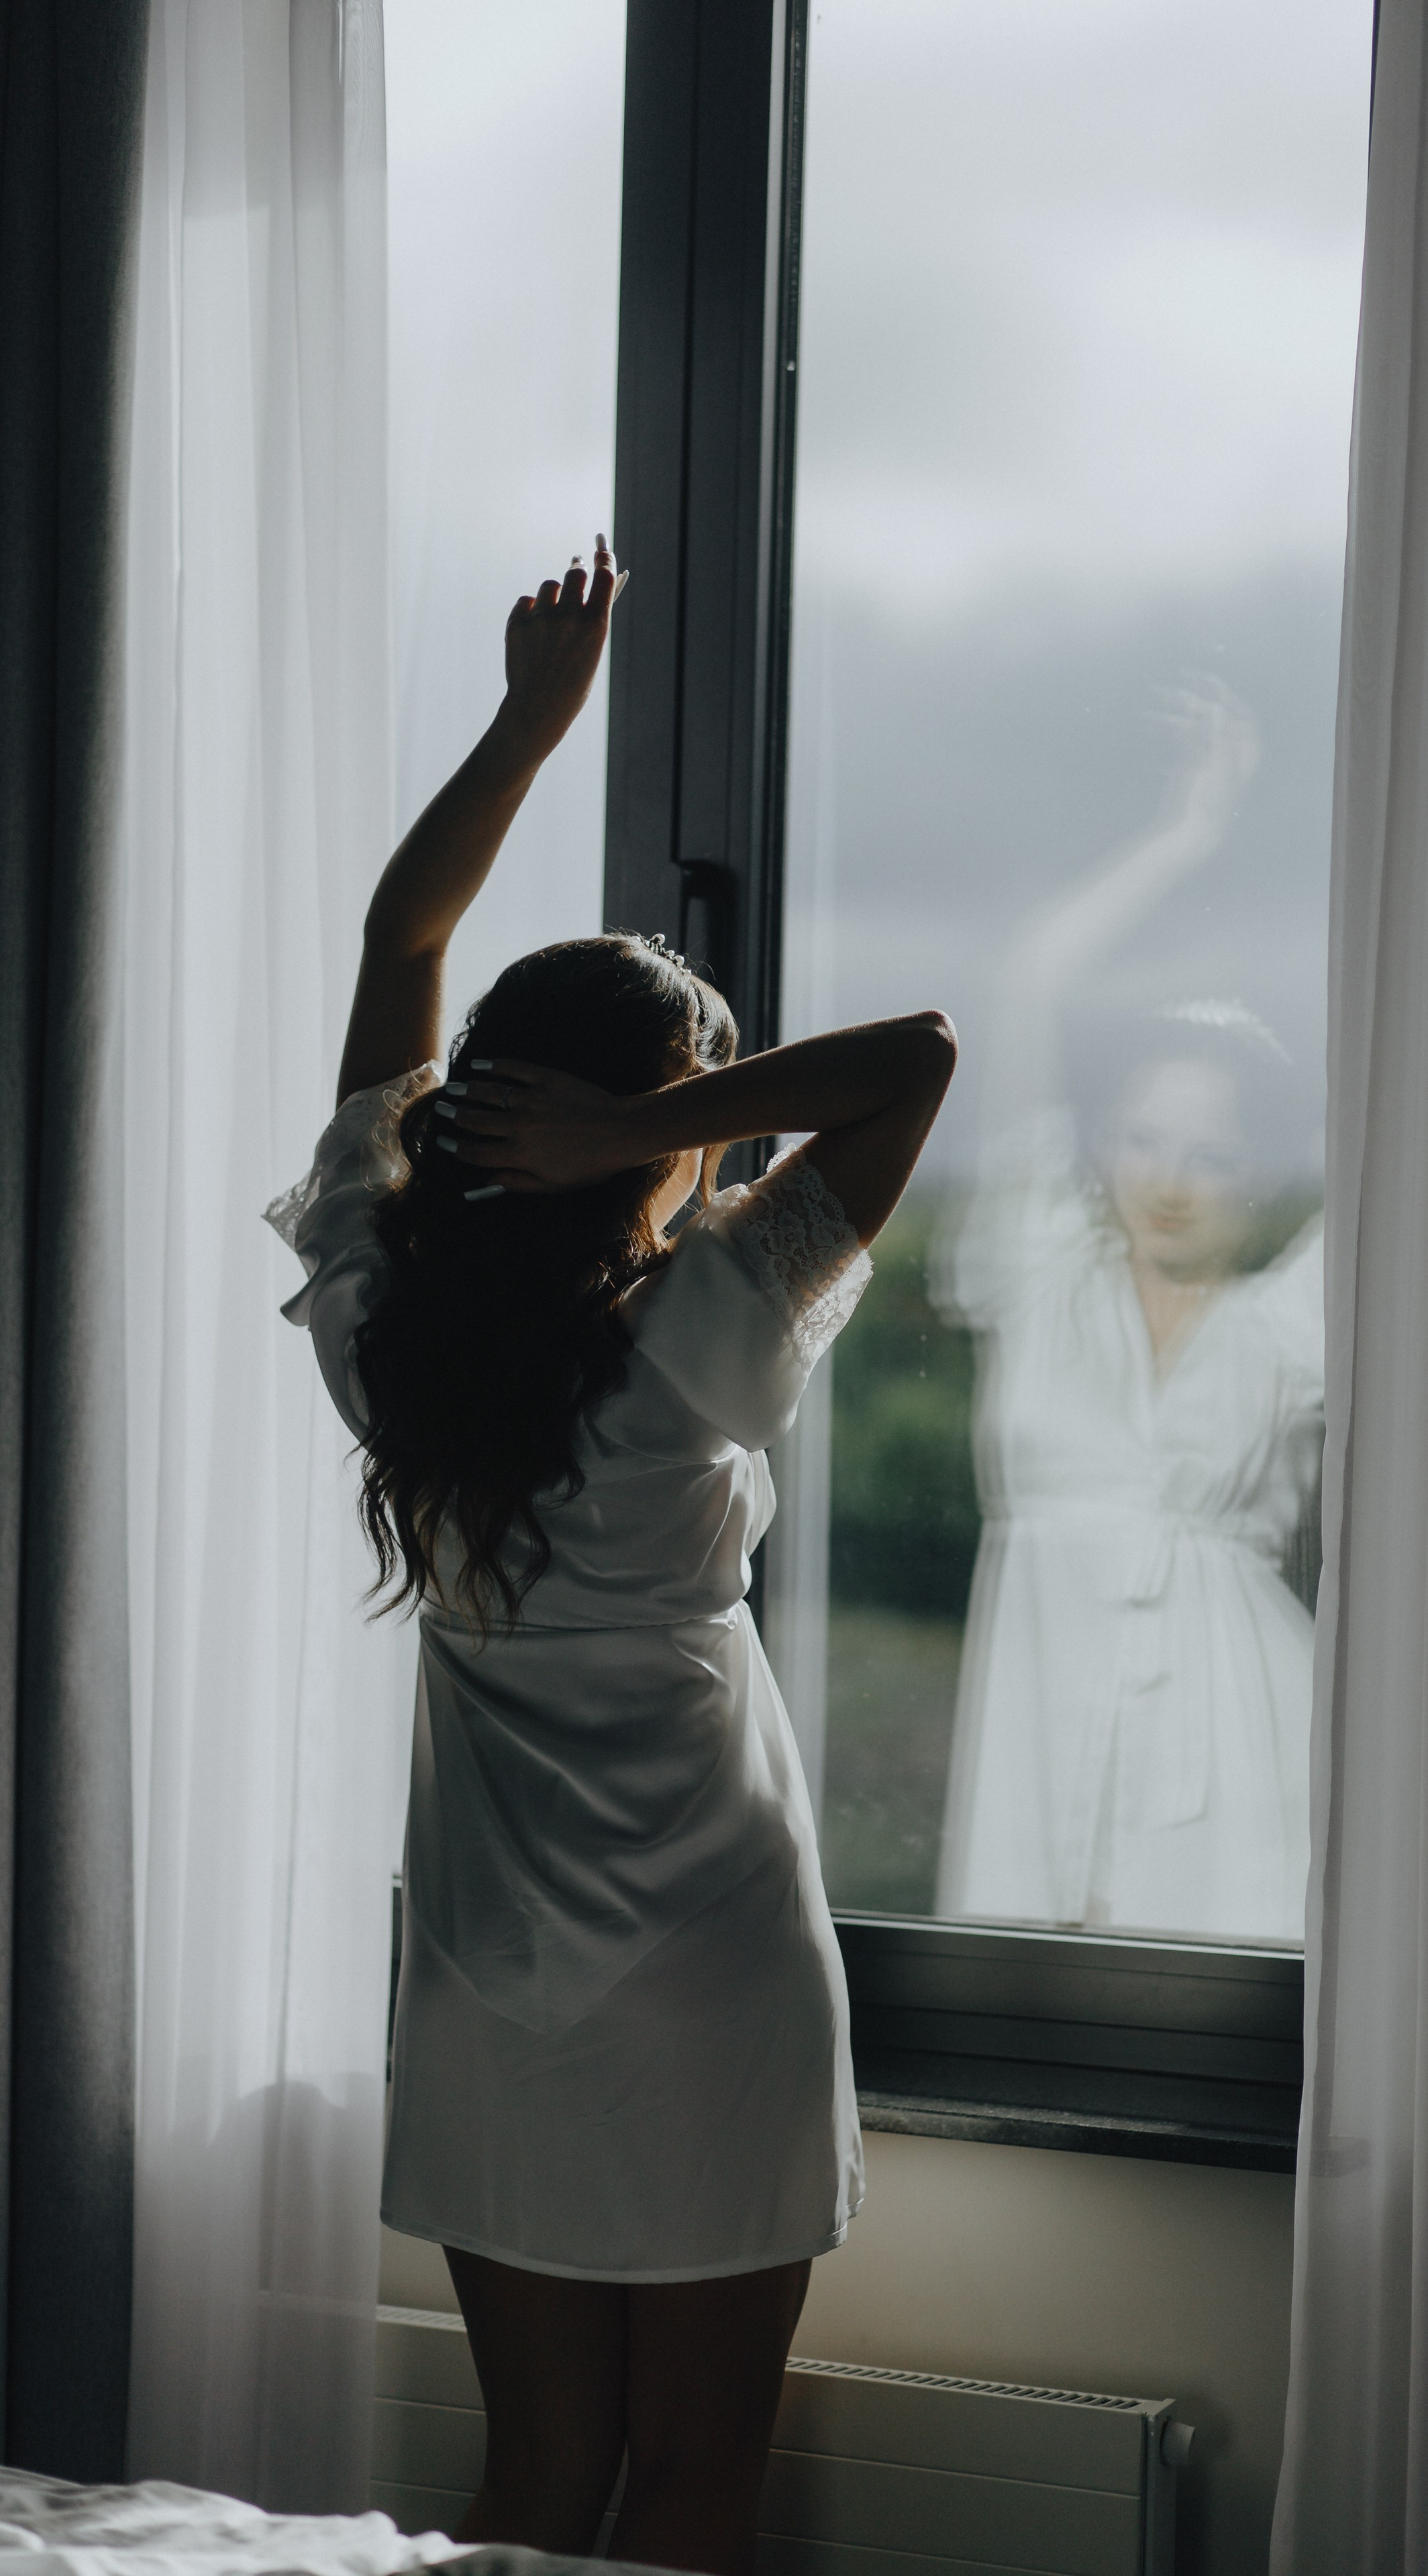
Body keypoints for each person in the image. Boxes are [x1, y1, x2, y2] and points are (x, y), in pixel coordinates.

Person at [267, 539, 956, 2573]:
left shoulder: (383, 1321)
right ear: (672, 1138)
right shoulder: (715, 1323)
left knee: (541, 2489)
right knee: (697, 2490)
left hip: (496, 1991)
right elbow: (910, 1055)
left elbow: (407, 932)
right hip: (715, 1982)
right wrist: (632, 1145)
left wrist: (527, 722)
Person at [935, 687, 1323, 1943]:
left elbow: (1426, 1102)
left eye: (1209, 1154)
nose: (1165, 1178)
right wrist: (1188, 836)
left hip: (1245, 1769)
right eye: (1142, 1139)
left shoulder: (1290, 1326)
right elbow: (1030, 982)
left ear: (1263, 1176)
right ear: (1101, 1149)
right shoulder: (1041, 1278)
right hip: (1037, 1742)